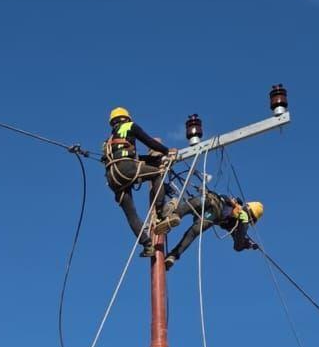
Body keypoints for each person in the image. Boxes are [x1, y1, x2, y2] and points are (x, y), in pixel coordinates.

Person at [101, 106, 176, 239]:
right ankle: (160, 211)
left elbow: (129, 157)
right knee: (157, 174)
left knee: (131, 213)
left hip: (113, 177)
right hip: (126, 168)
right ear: (126, 118)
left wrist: (154, 159)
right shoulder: (130, 126)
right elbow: (149, 141)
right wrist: (166, 151)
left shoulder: (109, 141)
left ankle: (146, 244)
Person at [163, 194, 263, 269]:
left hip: (210, 204)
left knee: (192, 206)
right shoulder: (240, 218)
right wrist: (246, 243)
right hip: (213, 208)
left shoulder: (235, 219)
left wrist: (247, 244)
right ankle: (173, 255)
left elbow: (238, 241)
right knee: (193, 232)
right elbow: (238, 243)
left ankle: (175, 215)